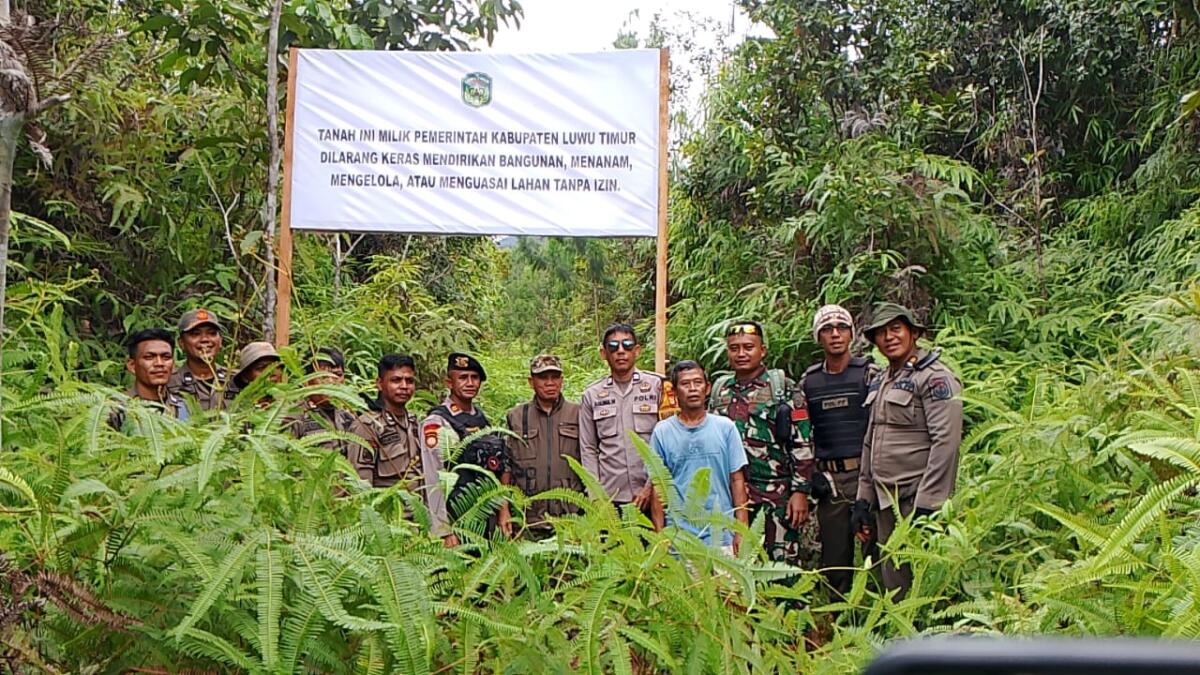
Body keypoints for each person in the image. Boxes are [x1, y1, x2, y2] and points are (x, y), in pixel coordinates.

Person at [852, 303, 963, 599]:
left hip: (916, 500)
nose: (889, 337)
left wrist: (929, 504)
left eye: (895, 329)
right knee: (894, 582)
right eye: (881, 333)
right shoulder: (883, 379)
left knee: (926, 586)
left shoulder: (935, 378)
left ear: (913, 333)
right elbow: (870, 440)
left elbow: (946, 442)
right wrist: (863, 499)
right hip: (885, 501)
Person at [708, 320, 818, 568]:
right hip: (732, 496)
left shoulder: (783, 388)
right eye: (734, 348)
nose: (741, 353)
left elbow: (803, 441)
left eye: (748, 347)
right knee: (737, 567)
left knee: (781, 568)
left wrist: (800, 492)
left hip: (776, 495)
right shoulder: (720, 391)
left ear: (763, 350)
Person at [802, 304, 882, 598]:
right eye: (827, 329)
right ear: (818, 337)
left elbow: (883, 427)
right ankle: (838, 624)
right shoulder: (809, 382)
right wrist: (812, 474)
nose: (835, 335)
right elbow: (803, 434)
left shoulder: (870, 373)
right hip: (832, 482)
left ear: (851, 334)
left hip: (867, 478)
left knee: (878, 553)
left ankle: (879, 619)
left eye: (842, 328)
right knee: (835, 561)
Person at [650, 360, 749, 554]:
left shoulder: (725, 427)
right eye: (685, 384)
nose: (693, 389)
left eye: (698, 382)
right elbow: (658, 486)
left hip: (722, 534)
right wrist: (660, 535)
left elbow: (737, 480)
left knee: (725, 585)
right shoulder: (662, 432)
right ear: (675, 391)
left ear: (707, 387)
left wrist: (741, 530)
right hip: (679, 538)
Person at [421, 353, 513, 547]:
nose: (470, 383)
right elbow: (433, 478)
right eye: (463, 378)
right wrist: (443, 530)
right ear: (449, 382)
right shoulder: (438, 422)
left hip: (485, 519)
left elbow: (497, 469)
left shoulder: (482, 420)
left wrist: (503, 509)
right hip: (456, 519)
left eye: (475, 377)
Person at [579, 324, 663, 512]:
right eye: (613, 347)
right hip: (611, 498)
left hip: (655, 496)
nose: (621, 352)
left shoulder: (657, 387)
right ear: (603, 353)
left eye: (627, 345)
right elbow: (588, 448)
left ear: (637, 350)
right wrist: (596, 495)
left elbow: (669, 442)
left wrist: (651, 487)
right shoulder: (592, 395)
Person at [504, 354, 584, 537]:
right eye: (543, 377)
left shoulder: (578, 414)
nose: (550, 383)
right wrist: (504, 509)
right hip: (527, 521)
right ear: (531, 382)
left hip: (571, 520)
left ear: (562, 380)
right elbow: (506, 466)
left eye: (555, 377)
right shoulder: (516, 417)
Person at [349, 354, 423, 491]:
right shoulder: (368, 425)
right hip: (388, 510)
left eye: (409, 381)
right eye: (396, 380)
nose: (404, 386)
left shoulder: (415, 423)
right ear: (379, 383)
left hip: (418, 509)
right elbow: (360, 483)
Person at [110, 328, 188, 429]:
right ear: (132, 365)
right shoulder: (115, 409)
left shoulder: (185, 407)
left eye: (166, 357)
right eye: (149, 357)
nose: (159, 364)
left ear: (173, 365)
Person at [287, 347, 359, 456]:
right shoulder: (295, 416)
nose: (331, 382)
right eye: (323, 376)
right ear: (307, 381)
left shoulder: (348, 416)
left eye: (338, 375)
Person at [166, 308, 234, 411]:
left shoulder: (236, 380)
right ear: (181, 343)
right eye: (195, 334)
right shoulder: (169, 383)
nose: (205, 339)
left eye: (212, 333)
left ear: (220, 341)